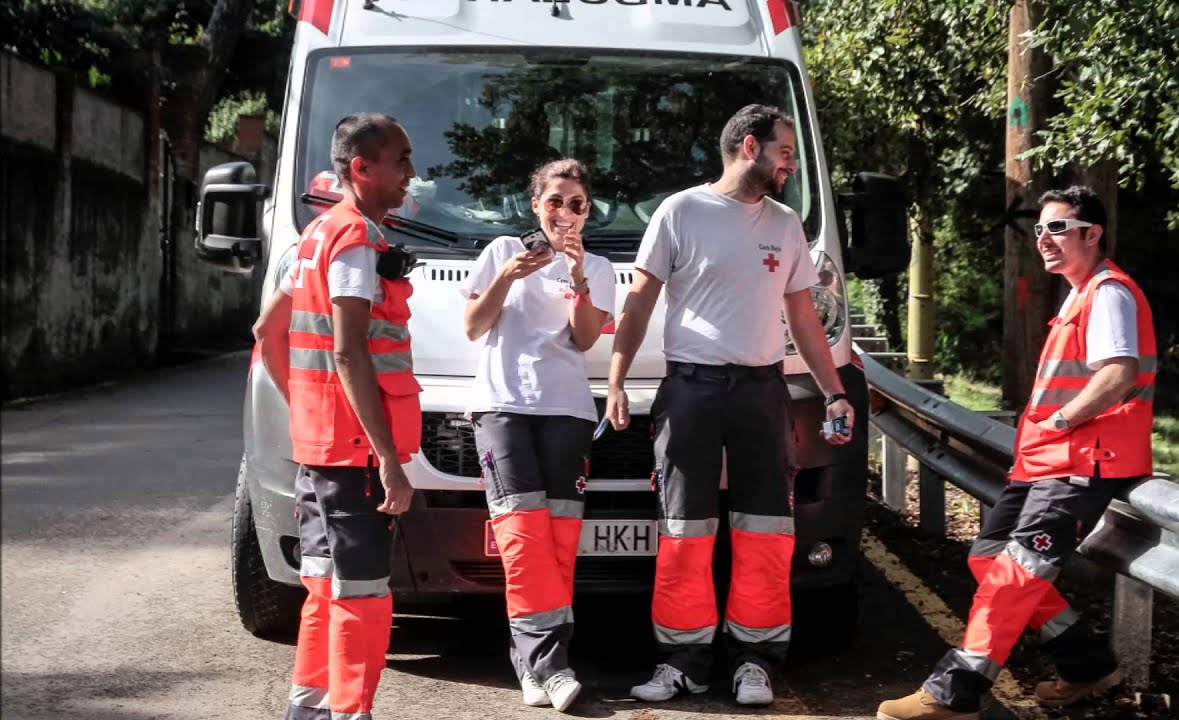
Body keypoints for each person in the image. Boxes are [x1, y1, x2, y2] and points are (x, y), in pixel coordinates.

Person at [605, 104, 856, 707]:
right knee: (684, 528)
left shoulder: (786, 223)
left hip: (762, 390)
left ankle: (755, 661)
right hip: (690, 389)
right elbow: (639, 302)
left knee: (766, 529)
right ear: (749, 147)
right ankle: (683, 662)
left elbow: (803, 317)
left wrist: (834, 391)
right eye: (784, 152)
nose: (790, 165)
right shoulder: (680, 212)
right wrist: (616, 381)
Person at [876, 186, 1157, 720]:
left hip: (1082, 461)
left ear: (1092, 234)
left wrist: (1061, 420)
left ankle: (954, 694)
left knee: (1014, 574)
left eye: (1058, 228)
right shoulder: (1079, 294)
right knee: (989, 558)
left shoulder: (1109, 293)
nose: (1044, 238)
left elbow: (1118, 375)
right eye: (1040, 228)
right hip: (1047, 462)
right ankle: (1087, 664)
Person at [252, 112, 421, 720]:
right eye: (400, 161)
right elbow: (349, 352)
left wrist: (307, 408)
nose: (411, 173)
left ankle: (311, 709)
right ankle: (350, 712)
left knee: (324, 586)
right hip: (355, 454)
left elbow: (267, 331)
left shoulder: (316, 233)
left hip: (320, 448)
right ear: (362, 168)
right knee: (363, 593)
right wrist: (388, 459)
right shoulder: (355, 241)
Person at [459, 159, 616, 713]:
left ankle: (531, 664)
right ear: (535, 206)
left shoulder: (598, 267)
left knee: (558, 544)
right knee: (522, 539)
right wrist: (508, 276)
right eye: (554, 202)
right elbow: (473, 327)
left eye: (576, 204)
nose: (564, 213)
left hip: (567, 411)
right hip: (503, 408)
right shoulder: (502, 251)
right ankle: (551, 667)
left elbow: (585, 338)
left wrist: (576, 276)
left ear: (587, 211)